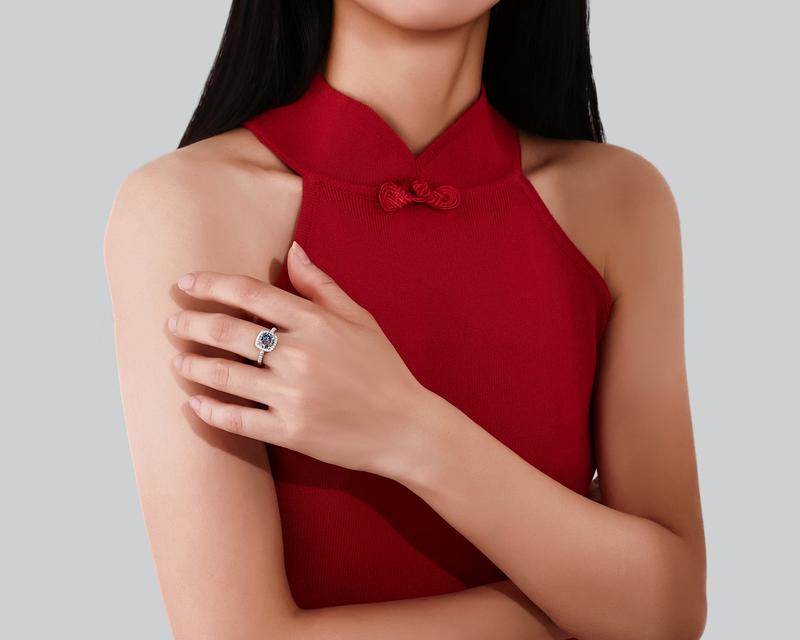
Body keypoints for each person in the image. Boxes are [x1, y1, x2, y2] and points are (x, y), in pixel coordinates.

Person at [103, 1, 707, 638]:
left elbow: (672, 609)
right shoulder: (186, 205)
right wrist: (594, 605)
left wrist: (406, 428)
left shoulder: (619, 202)